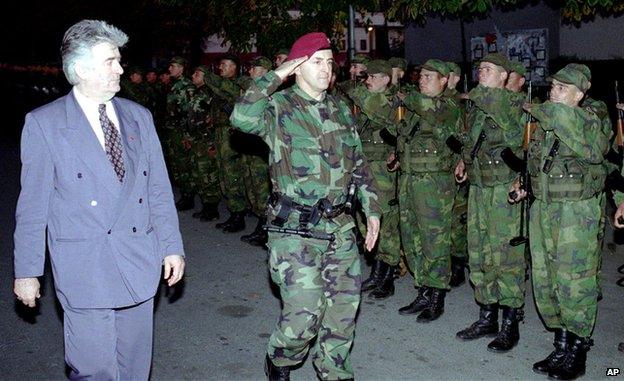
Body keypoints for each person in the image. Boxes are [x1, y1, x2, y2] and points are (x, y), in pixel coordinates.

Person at [13, 19, 185, 379]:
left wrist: (172, 247)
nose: (120, 68)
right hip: (84, 266)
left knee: (135, 368)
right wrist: (28, 271)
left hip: (139, 258)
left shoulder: (140, 118)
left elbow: (157, 190)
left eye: (119, 60)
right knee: (95, 370)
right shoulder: (45, 123)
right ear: (81, 69)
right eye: (110, 61)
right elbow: (32, 207)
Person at [230, 32, 381, 381]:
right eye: (317, 62)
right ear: (298, 67)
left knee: (343, 312)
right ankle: (281, 359)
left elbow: (359, 165)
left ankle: (334, 371)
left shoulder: (341, 109)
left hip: (340, 228)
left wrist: (371, 210)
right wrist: (277, 74)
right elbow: (240, 117)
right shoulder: (278, 108)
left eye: (330, 63)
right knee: (304, 316)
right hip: (295, 229)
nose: (326, 69)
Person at [511, 64, 607, 380]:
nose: (554, 91)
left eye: (563, 88)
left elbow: (593, 150)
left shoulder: (590, 120)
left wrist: (538, 108)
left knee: (574, 280)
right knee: (545, 276)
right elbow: (536, 162)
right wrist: (523, 184)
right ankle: (561, 343)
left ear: (580, 94)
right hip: (544, 208)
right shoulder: (545, 124)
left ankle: (577, 351)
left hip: (575, 213)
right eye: (553, 86)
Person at [454, 53, 526, 352]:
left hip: (502, 189)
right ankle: (487, 316)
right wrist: (463, 160)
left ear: (503, 76)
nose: (481, 72)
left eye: (488, 69)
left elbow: (522, 144)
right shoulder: (478, 107)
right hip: (479, 186)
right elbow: (472, 142)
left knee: (506, 257)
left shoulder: (511, 103)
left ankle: (510, 323)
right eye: (480, 68)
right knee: (480, 252)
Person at [393, 59, 462, 322]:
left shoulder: (448, 106)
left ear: (444, 80)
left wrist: (405, 94)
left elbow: (428, 109)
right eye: (420, 76)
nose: (421, 80)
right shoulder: (414, 107)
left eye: (428, 77)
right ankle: (423, 288)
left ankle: (436, 294)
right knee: (411, 237)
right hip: (410, 179)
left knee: (435, 240)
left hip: (434, 184)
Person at [347, 60, 401, 299]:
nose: (367, 80)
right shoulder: (366, 99)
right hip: (364, 165)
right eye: (366, 76)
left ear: (386, 79)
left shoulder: (392, 101)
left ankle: (387, 276)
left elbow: (367, 103)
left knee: (385, 223)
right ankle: (377, 272)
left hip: (383, 169)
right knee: (363, 218)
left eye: (373, 76)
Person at [204, 54, 248, 233]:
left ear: (234, 67)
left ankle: (239, 216)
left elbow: (220, 84)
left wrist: (205, 72)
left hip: (231, 134)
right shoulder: (221, 89)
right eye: (220, 65)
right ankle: (233, 213)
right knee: (223, 174)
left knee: (232, 175)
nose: (220, 68)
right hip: (220, 134)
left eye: (224, 65)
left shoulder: (237, 85)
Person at [188, 65, 221, 222]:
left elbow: (213, 118)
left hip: (207, 139)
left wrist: (211, 141)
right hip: (197, 139)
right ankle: (206, 206)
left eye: (197, 74)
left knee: (208, 173)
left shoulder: (210, 93)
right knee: (200, 173)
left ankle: (212, 208)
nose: (193, 75)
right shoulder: (197, 93)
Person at [165, 56, 196, 211]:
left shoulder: (186, 87)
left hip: (181, 131)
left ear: (182, 68)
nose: (170, 69)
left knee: (184, 165)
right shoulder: (174, 85)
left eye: (173, 66)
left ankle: (188, 197)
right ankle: (184, 195)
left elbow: (189, 113)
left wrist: (186, 135)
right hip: (173, 130)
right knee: (177, 164)